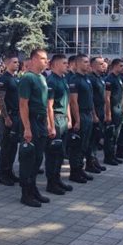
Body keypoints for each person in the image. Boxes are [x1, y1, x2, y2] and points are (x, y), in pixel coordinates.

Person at [17, 49, 51, 207]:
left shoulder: (42, 77)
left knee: (38, 159)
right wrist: (27, 128)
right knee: (28, 160)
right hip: (31, 122)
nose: (46, 61)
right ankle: (26, 194)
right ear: (34, 60)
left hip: (41, 122)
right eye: (43, 59)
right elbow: (23, 104)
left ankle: (33, 189)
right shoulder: (28, 78)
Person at [45, 54, 73, 194]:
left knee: (61, 153)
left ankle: (57, 179)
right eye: (64, 63)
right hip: (55, 118)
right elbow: (48, 106)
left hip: (63, 119)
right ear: (55, 65)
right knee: (53, 153)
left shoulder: (63, 79)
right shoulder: (51, 81)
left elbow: (67, 100)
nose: (67, 65)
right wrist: (50, 125)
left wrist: (69, 118)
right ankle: (51, 183)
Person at [68, 54, 96, 183]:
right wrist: (77, 120)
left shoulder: (87, 79)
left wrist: (93, 114)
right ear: (78, 64)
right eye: (85, 62)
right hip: (81, 115)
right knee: (77, 146)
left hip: (88, 114)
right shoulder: (75, 79)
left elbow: (91, 98)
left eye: (88, 62)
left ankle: (80, 169)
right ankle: (74, 172)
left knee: (85, 144)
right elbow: (73, 102)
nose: (87, 64)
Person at [0, 55, 21, 186]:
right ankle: (3, 175)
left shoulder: (15, 78)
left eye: (18, 62)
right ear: (7, 63)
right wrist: (6, 117)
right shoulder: (3, 79)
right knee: (6, 147)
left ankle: (10, 171)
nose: (17, 64)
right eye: (14, 62)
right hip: (9, 116)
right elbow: (0, 99)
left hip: (17, 116)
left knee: (12, 147)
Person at [104, 59, 123, 166]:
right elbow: (107, 98)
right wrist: (108, 114)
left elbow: (122, 95)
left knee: (116, 134)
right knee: (111, 135)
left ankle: (113, 155)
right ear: (115, 66)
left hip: (119, 109)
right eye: (121, 66)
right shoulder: (109, 79)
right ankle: (108, 157)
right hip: (113, 109)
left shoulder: (119, 78)